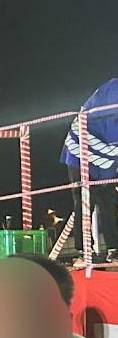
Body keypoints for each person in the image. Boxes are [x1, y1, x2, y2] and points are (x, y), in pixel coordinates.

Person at [61, 76, 118, 262]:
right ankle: (83, 251)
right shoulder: (113, 89)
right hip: (82, 147)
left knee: (109, 200)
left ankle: (114, 249)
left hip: (107, 152)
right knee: (84, 199)